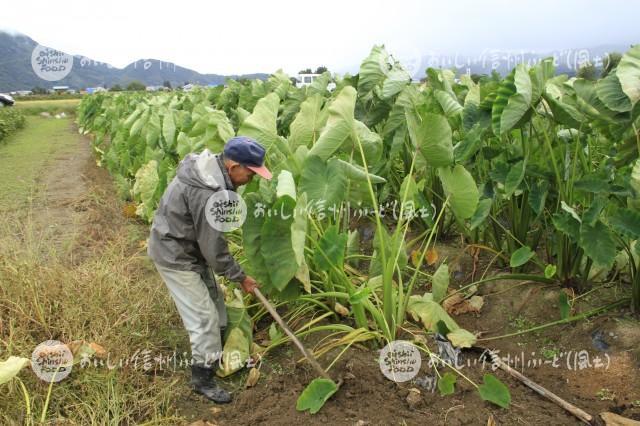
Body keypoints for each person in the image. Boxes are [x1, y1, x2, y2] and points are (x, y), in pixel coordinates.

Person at [147, 136, 272, 403]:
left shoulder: (211, 173)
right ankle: (202, 378)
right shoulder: (209, 192)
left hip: (191, 250)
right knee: (204, 320)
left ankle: (216, 349)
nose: (252, 178)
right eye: (250, 173)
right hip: (176, 255)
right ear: (233, 166)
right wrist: (241, 278)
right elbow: (214, 249)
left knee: (216, 306)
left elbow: (211, 244)